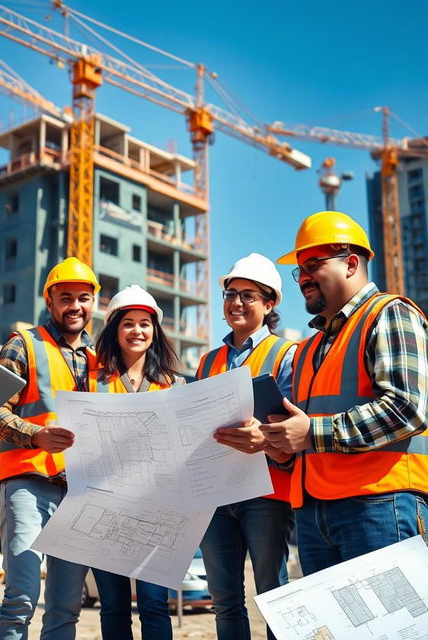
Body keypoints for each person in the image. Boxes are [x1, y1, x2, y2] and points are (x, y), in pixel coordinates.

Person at [262, 210, 428, 575]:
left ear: (351, 263)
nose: (303, 278)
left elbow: (407, 408)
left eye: (313, 264)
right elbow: (306, 435)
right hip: (313, 513)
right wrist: (282, 448)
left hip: (381, 505)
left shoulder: (389, 314)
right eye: (300, 269)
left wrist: (311, 433)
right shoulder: (307, 349)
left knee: (393, 632)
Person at [0, 257, 100, 640]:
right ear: (50, 301)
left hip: (79, 493)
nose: (75, 306)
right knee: (21, 596)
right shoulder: (23, 345)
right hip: (29, 482)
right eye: (66, 297)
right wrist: (35, 435)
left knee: (65, 607)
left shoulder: (100, 361)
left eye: (84, 298)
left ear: (93, 303)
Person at [194, 253, 295, 640]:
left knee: (274, 595)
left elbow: (293, 425)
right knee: (224, 600)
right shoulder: (207, 361)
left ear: (269, 304)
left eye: (248, 295)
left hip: (266, 491)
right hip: (217, 495)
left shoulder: (288, 354)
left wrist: (266, 438)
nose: (236, 302)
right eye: (230, 293)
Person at [89, 285, 184, 640]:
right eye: (128, 323)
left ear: (155, 332)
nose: (137, 331)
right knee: (113, 605)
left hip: (157, 513)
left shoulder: (174, 385)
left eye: (145, 323)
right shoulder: (94, 383)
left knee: (154, 605)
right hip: (106, 511)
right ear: (114, 329)